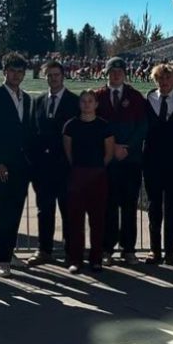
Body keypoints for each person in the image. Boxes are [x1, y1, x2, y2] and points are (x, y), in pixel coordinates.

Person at [0, 53, 36, 276]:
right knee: (4, 208)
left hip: (21, 163)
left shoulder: (27, 98)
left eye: (20, 71)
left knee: (16, 208)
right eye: (12, 70)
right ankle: (1, 258)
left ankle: (10, 252)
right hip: (1, 163)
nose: (16, 75)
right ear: (4, 72)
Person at [94, 57, 147, 266]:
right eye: (112, 72)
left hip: (130, 160)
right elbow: (93, 125)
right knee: (108, 205)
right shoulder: (98, 96)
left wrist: (127, 147)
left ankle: (129, 248)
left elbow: (142, 127)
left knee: (129, 206)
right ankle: (107, 248)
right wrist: (111, 148)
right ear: (106, 73)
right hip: (107, 161)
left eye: (119, 72)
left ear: (125, 74)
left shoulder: (135, 97)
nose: (116, 75)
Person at [28, 60, 79, 266]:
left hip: (66, 167)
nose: (53, 78)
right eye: (49, 75)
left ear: (63, 76)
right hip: (43, 169)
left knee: (69, 211)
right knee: (44, 210)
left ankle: (71, 252)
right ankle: (44, 250)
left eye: (56, 75)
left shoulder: (74, 101)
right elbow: (32, 132)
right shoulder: (38, 100)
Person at [143, 63, 173, 265]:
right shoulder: (148, 98)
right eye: (160, 79)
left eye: (167, 78)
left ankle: (170, 251)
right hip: (152, 160)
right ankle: (155, 250)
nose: (163, 82)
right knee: (154, 206)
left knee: (172, 206)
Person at [63, 90, 114, 273]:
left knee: (97, 220)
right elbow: (68, 152)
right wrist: (79, 168)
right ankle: (76, 259)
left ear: (96, 104)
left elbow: (109, 154)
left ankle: (96, 258)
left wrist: (97, 168)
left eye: (90, 101)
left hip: (98, 175)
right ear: (79, 104)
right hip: (77, 175)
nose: (86, 104)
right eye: (83, 101)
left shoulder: (104, 126)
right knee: (75, 220)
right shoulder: (71, 125)